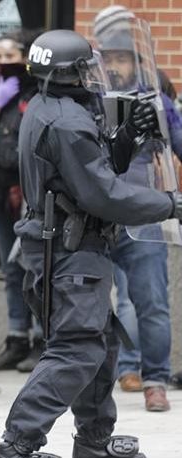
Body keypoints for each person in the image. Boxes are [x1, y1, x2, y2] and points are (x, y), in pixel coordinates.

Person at [0, 29, 182, 458]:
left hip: (72, 246)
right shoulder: (66, 121)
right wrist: (169, 205)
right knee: (77, 348)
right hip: (70, 251)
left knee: (102, 342)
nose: (95, 75)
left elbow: (92, 170)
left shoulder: (53, 108)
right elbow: (104, 194)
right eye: (85, 68)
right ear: (67, 73)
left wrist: (130, 136)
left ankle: (94, 440)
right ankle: (17, 445)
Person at [92, 5, 182, 411]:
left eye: (122, 58)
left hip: (143, 213)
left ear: (135, 60)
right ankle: (104, 372)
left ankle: (156, 379)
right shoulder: (90, 97)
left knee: (152, 302)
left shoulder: (156, 97)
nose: (115, 65)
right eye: (108, 58)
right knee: (92, 304)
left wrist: (165, 116)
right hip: (98, 212)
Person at [0, 31, 42, 372]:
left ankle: (40, 339)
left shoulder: (36, 94)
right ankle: (16, 337)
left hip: (27, 193)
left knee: (33, 267)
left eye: (10, 55)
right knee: (9, 269)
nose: (3, 63)